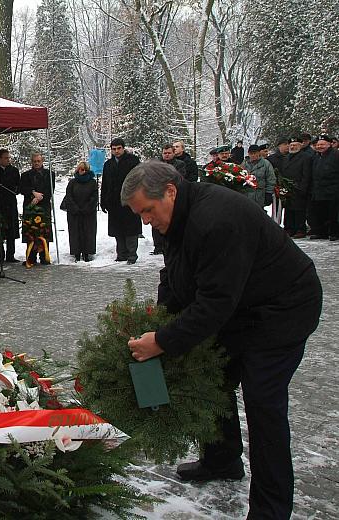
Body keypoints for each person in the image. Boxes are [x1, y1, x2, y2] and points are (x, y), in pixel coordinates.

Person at [122, 160, 322, 520]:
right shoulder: (174, 218)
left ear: (171, 190)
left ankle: (271, 509)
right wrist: (161, 319)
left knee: (263, 404)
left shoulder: (217, 219)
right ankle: (222, 459)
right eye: (140, 214)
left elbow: (215, 304)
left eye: (148, 211)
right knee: (214, 377)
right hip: (240, 307)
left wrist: (164, 340)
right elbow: (175, 272)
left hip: (282, 309)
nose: (146, 221)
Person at [100, 138, 141, 264]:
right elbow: (105, 184)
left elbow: (139, 180)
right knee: (118, 229)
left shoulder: (133, 161)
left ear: (123, 148)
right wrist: (103, 200)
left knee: (131, 229)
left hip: (130, 201)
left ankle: (132, 254)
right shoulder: (108, 164)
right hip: (114, 202)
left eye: (119, 148)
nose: (116, 151)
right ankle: (121, 254)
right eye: (114, 149)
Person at [20, 152, 56, 265]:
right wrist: (33, 194)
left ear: (42, 161)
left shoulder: (50, 174)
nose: (36, 163)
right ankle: (31, 257)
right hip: (30, 207)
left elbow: (50, 190)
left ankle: (44, 256)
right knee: (31, 231)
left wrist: (40, 198)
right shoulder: (25, 175)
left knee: (43, 232)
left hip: (43, 206)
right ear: (31, 162)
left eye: (38, 161)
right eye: (34, 161)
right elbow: (22, 189)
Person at [0, 148, 21, 263]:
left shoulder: (14, 171)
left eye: (9, 158)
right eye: (5, 158)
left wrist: (16, 189)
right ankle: (0, 255)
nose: (8, 160)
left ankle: (11, 255)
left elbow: (18, 185)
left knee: (11, 230)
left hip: (10, 204)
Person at [151, 144, 186, 254]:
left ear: (173, 153)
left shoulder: (180, 164)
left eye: (169, 153)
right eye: (164, 153)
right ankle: (158, 246)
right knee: (157, 220)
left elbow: (179, 178)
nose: (166, 155)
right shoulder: (156, 164)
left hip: (173, 195)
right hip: (158, 196)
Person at [60, 161, 97, 262]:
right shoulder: (72, 182)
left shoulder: (92, 182)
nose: (82, 171)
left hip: (88, 213)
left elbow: (94, 197)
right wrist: (75, 208)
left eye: (84, 170)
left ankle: (87, 253)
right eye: (80, 169)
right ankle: (76, 253)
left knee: (88, 232)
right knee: (75, 233)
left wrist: (86, 208)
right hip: (74, 213)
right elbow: (69, 196)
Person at [309, 134, 339, 240]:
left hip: (332, 190)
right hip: (319, 190)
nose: (320, 146)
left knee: (333, 214)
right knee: (320, 213)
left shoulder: (336, 155)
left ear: (329, 144)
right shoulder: (317, 156)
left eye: (322, 144)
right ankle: (321, 232)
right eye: (318, 144)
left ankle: (334, 233)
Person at [281, 137, 312, 238]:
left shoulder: (305, 157)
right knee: (288, 210)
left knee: (299, 210)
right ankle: (289, 228)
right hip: (287, 188)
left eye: (295, 145)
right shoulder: (286, 157)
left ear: (300, 145)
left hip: (299, 188)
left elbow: (306, 174)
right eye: (291, 145)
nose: (293, 147)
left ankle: (300, 229)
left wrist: (303, 188)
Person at [242, 144, 276, 209]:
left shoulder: (266, 164)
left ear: (259, 153)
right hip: (246, 195)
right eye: (251, 153)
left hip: (259, 195)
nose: (253, 155)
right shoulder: (244, 164)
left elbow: (271, 180)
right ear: (248, 154)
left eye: (255, 153)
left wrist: (268, 193)